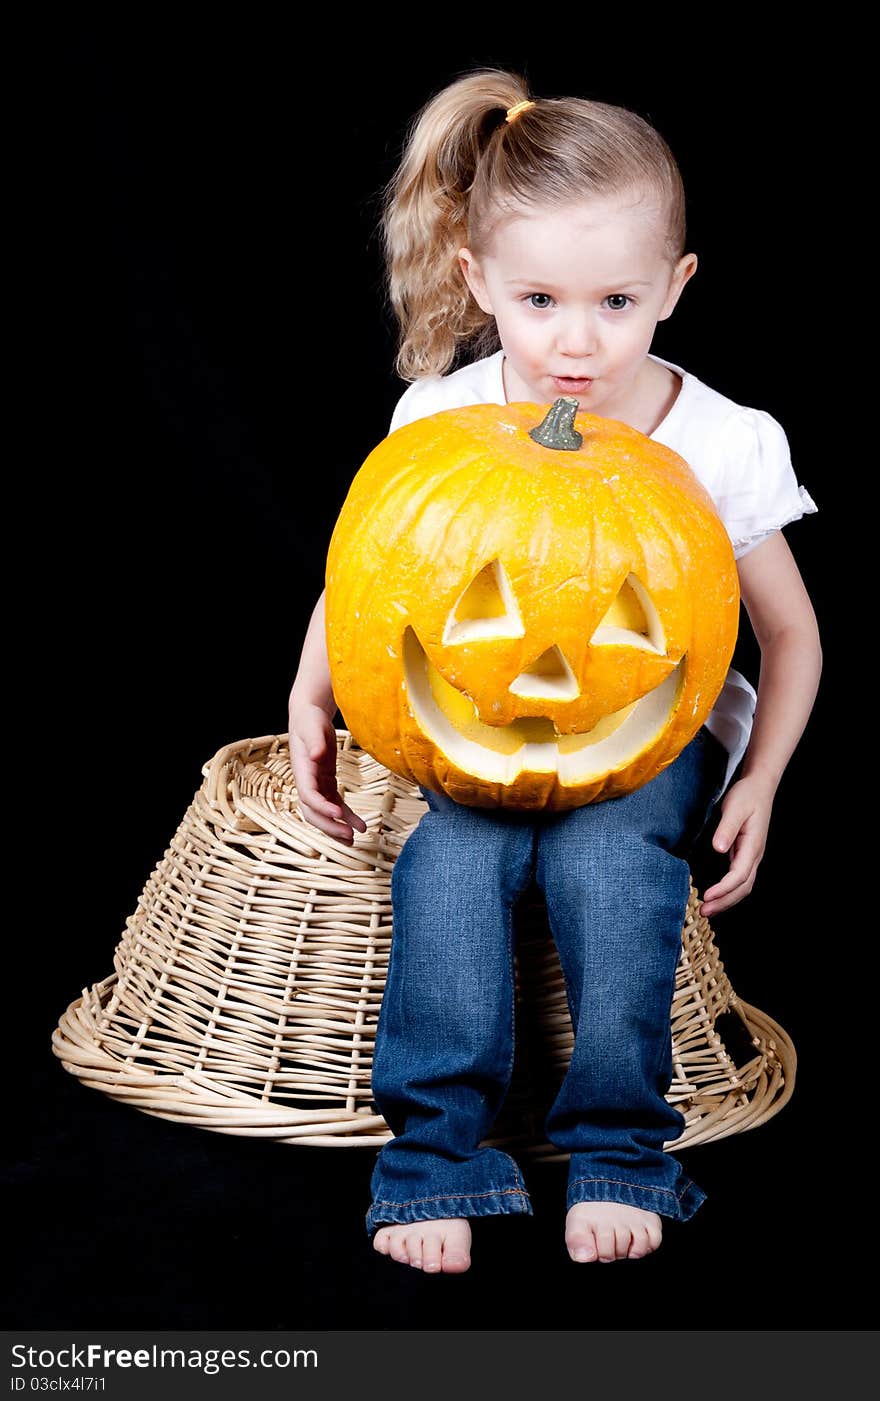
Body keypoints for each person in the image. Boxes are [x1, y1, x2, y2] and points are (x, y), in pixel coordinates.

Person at [287, 68, 822, 1274]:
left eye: (616, 301)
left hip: (647, 735)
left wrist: (760, 780)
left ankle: (619, 1148)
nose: (575, 343)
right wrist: (312, 694)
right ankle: (433, 1160)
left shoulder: (718, 440)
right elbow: (368, 580)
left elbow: (789, 634)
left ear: (675, 289)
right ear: (477, 283)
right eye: (537, 300)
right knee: (452, 866)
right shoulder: (441, 415)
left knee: (609, 866)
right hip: (465, 729)